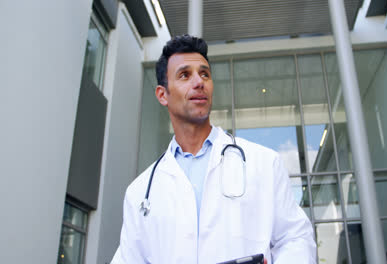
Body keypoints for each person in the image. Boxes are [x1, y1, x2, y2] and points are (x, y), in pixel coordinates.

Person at [110, 34, 317, 264]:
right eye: (184, 75)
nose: (199, 82)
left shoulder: (264, 163)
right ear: (162, 95)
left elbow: (296, 237)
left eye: (204, 74)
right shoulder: (140, 192)